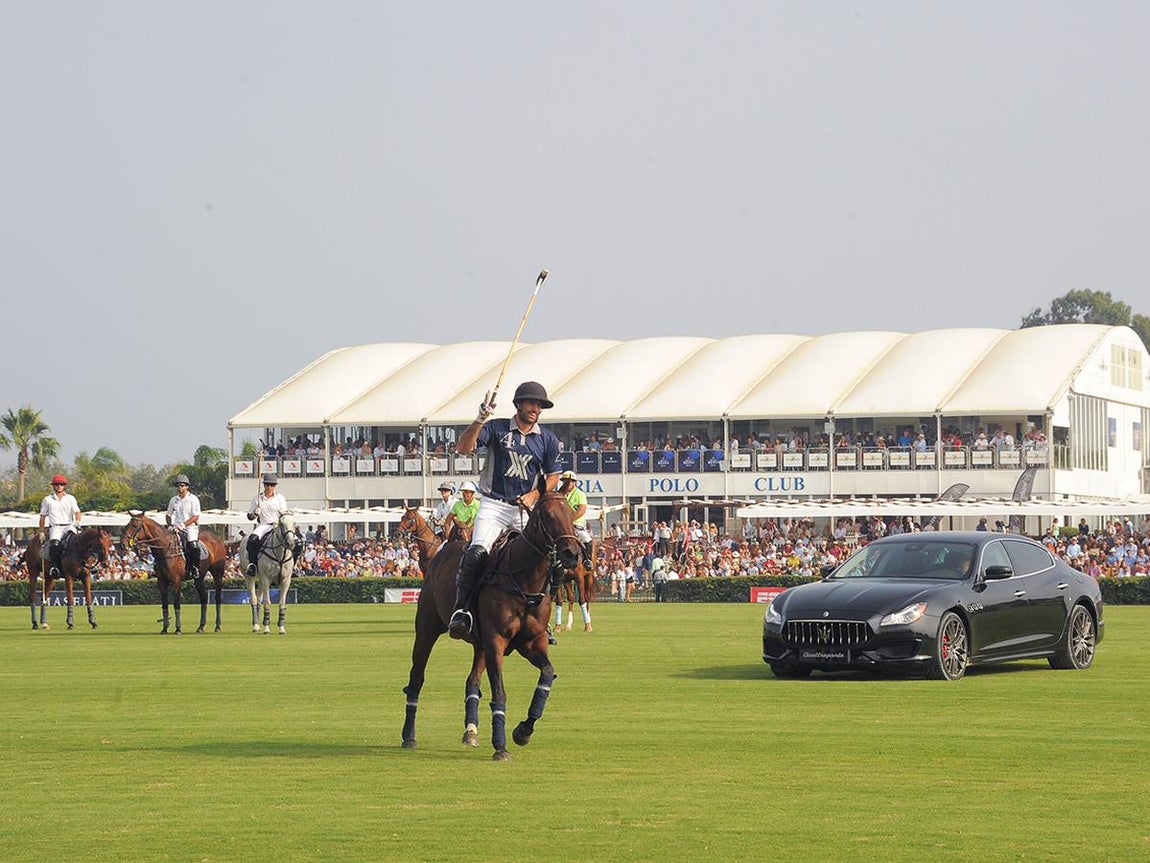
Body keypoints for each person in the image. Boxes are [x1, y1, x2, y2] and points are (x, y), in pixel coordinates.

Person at [448, 381, 561, 638]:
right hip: (494, 504)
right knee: (476, 553)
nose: (535, 408)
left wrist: (535, 494)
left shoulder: (548, 439)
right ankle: (462, 610)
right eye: (531, 403)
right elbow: (463, 449)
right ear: (518, 404)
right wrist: (480, 418)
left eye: (540, 405)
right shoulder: (497, 428)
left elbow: (553, 476)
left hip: (525, 509)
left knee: (551, 558)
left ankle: (541, 617)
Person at [245, 473, 290, 577]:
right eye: (267, 485)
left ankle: (293, 567)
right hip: (263, 526)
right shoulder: (257, 498)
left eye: (272, 485)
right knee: (252, 540)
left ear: (275, 486)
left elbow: (284, 515)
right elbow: (249, 517)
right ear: (264, 485)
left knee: (296, 542)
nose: (270, 487)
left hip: (277, 525)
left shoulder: (280, 498)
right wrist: (255, 513)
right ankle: (253, 565)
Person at [38, 474, 81, 577]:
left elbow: (77, 512)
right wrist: (41, 531)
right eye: (57, 484)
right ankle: (55, 567)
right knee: (55, 545)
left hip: (69, 525)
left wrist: (77, 522)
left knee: (78, 542)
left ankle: (85, 565)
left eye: (61, 484)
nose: (59, 486)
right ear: (53, 486)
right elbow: (43, 516)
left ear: (64, 486)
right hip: (56, 527)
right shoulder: (47, 499)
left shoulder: (70, 498)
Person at [165, 474, 202, 579]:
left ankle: (195, 567)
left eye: (182, 485)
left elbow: (195, 516)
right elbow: (168, 515)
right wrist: (169, 525)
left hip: (190, 528)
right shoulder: (173, 500)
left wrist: (183, 525)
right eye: (178, 486)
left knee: (192, 545)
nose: (179, 488)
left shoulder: (193, 499)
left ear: (187, 486)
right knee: (164, 544)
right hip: (175, 527)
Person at [558, 470, 592, 567]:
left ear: (575, 483)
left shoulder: (580, 494)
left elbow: (581, 510)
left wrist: (569, 520)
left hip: (576, 525)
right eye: (565, 481)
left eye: (571, 481)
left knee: (587, 539)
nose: (568, 483)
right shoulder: (559, 494)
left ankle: (587, 560)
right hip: (561, 525)